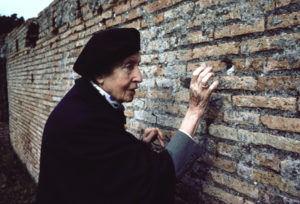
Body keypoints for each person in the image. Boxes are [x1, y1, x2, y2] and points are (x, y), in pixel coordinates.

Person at [36, 28, 218, 204]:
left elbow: (105, 168)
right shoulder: (83, 121)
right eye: (128, 66)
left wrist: (139, 147)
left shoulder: (84, 104)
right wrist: (195, 110)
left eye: (137, 65)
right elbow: (158, 176)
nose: (139, 77)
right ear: (100, 74)